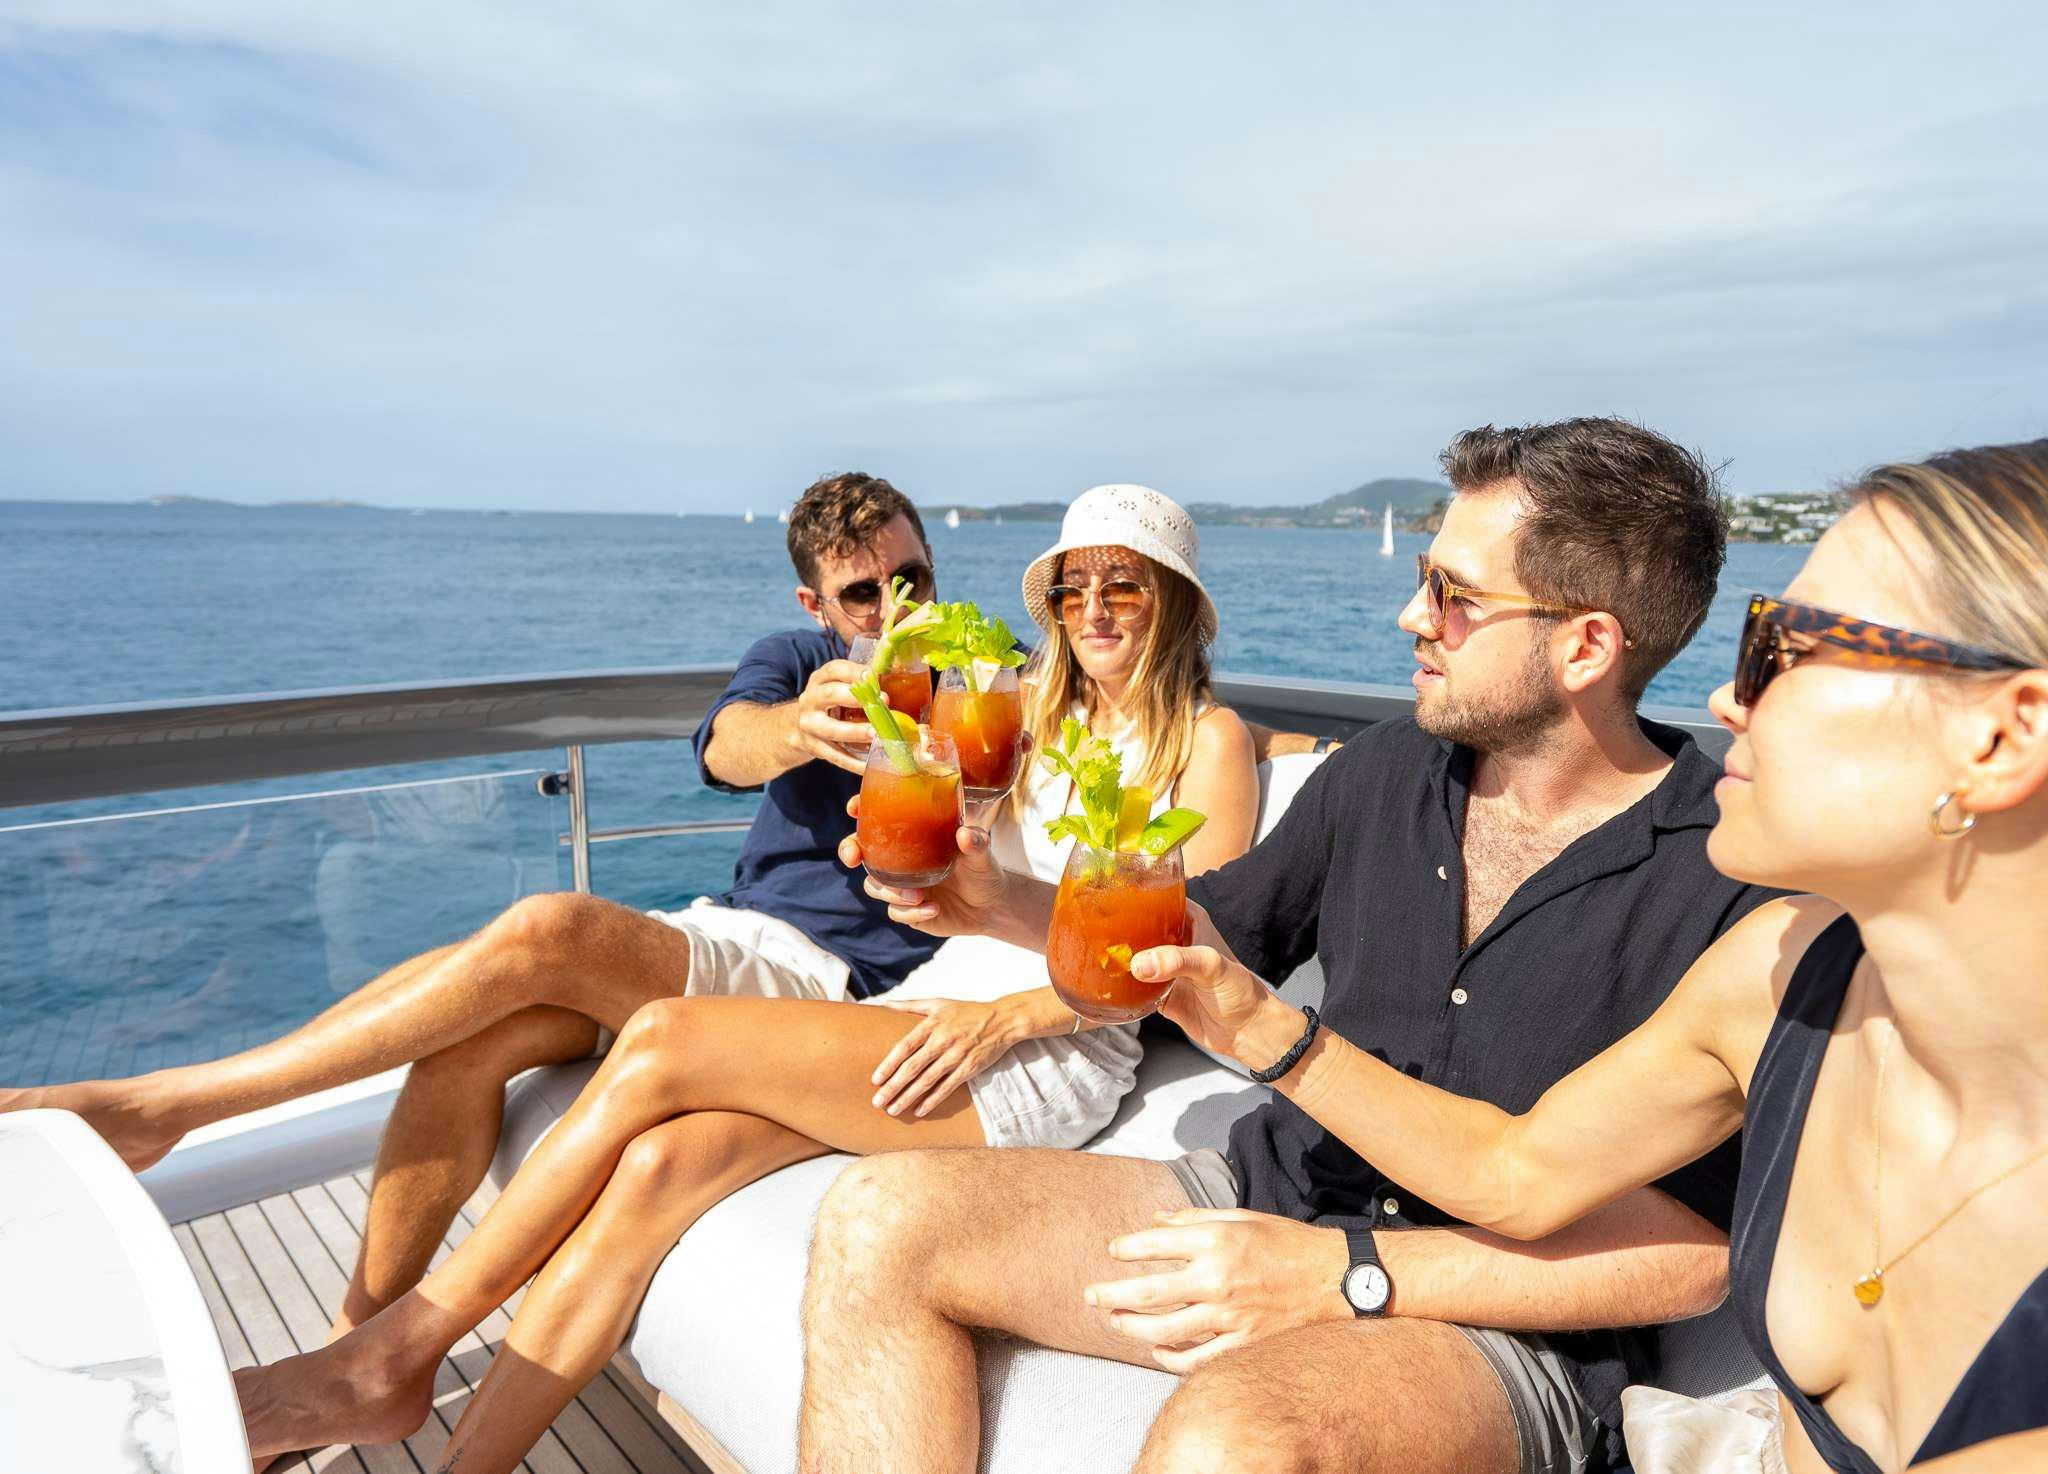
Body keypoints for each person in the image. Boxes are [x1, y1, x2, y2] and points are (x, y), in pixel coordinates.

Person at [810, 418, 1783, 1474]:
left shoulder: (1720, 877)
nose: (1412, 614)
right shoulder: (1383, 770)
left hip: (1497, 1316)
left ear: (1584, 645)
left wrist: (1343, 1272)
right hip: (1266, 1192)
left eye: (1454, 597)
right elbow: (1199, 933)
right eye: (1424, 577)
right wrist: (995, 903)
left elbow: (1691, 1258)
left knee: (1235, 1438)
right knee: (878, 1217)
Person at [229, 485, 1260, 1470]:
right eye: (1072, 588)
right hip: (933, 995)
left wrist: (1002, 1019)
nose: (1093, 610)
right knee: (655, 1169)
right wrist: (909, 845)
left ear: (1169, 598)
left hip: (1042, 1042)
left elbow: (1179, 953)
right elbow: (907, 790)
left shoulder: (1207, 743)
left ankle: (388, 1357)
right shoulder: (1026, 702)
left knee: (665, 1041)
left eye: (1121, 585)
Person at [1125, 441, 2048, 1473]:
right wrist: (1256, 1027)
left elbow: (1673, 1252)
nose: (1728, 702)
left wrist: (1348, 1273)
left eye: (1785, 648)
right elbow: (1513, 1170)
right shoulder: (1781, 974)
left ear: (2000, 739)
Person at [0, 471, 953, 1338]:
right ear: (816, 604)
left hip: (833, 980)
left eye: (910, 579)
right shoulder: (800, 660)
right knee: (472, 1042)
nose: (893, 608)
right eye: (863, 592)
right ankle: (358, 1338)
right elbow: (725, 749)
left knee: (553, 926)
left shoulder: (984, 681)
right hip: (732, 933)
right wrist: (798, 723)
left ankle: (166, 1103)